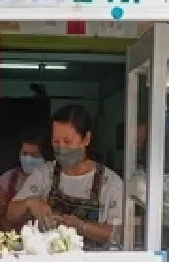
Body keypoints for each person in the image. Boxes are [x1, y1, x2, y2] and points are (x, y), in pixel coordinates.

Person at [7, 105, 125, 249]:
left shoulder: (111, 183)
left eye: (67, 141)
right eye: (56, 141)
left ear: (86, 139)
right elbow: (11, 214)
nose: (61, 148)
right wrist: (30, 202)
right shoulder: (45, 174)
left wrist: (81, 226)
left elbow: (118, 233)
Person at [0, 121, 50, 202]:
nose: (28, 159)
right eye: (25, 153)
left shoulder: (53, 181)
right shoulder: (10, 178)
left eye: (33, 155)